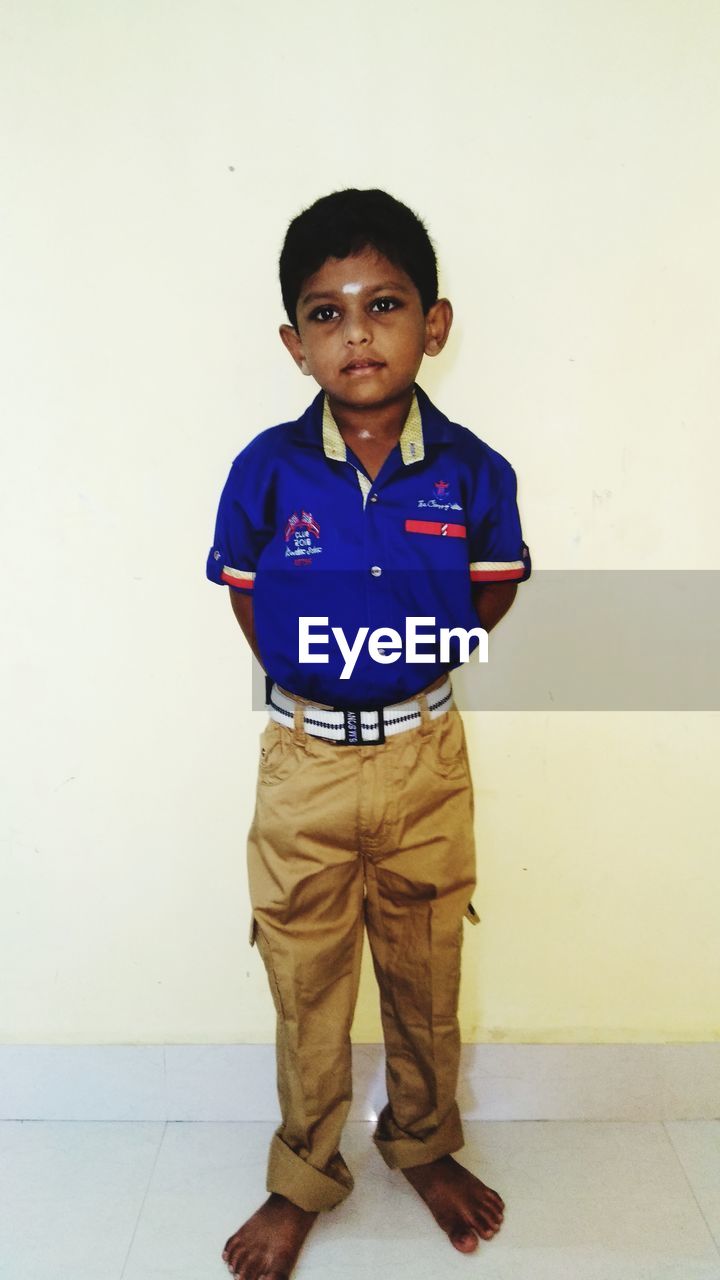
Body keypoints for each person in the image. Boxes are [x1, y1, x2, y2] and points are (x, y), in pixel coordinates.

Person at [206, 188, 531, 1280]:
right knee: (304, 973)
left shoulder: (474, 471)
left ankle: (424, 1142)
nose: (359, 333)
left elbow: (492, 591)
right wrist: (321, 672)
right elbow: (248, 596)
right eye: (328, 312)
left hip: (426, 759)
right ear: (296, 343)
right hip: (302, 761)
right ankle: (303, 1172)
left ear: (432, 324)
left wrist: (409, 665)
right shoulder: (266, 469)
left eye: (384, 304)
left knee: (427, 957)